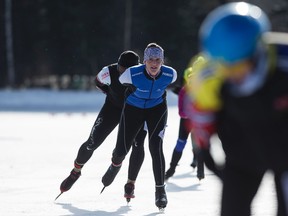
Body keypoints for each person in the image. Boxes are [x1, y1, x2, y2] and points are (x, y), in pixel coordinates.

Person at [185, 2, 288, 215]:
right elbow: (201, 114)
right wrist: (203, 145)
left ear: (257, 51)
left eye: (238, 65)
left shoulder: (283, 65)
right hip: (242, 153)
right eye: (224, 66)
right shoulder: (209, 75)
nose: (232, 73)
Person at [56, 50, 148, 199]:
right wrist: (110, 93)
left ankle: (129, 182)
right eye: (120, 68)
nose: (122, 72)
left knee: (137, 145)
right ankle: (75, 171)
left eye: (126, 70)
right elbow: (98, 82)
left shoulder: (142, 73)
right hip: (113, 108)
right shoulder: (108, 71)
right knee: (92, 142)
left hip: (135, 112)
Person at [101, 42, 177, 210]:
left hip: (156, 110)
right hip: (133, 110)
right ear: (144, 61)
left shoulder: (170, 74)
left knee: (155, 147)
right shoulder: (130, 74)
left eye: (158, 59)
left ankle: (160, 190)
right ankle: (115, 164)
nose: (154, 63)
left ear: (162, 61)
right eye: (151, 59)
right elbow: (120, 84)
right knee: (121, 150)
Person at [165, 67, 205, 181]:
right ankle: (171, 169)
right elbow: (181, 111)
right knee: (181, 143)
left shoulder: (202, 90)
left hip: (197, 121)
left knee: (199, 144)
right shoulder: (184, 91)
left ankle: (200, 169)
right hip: (187, 120)